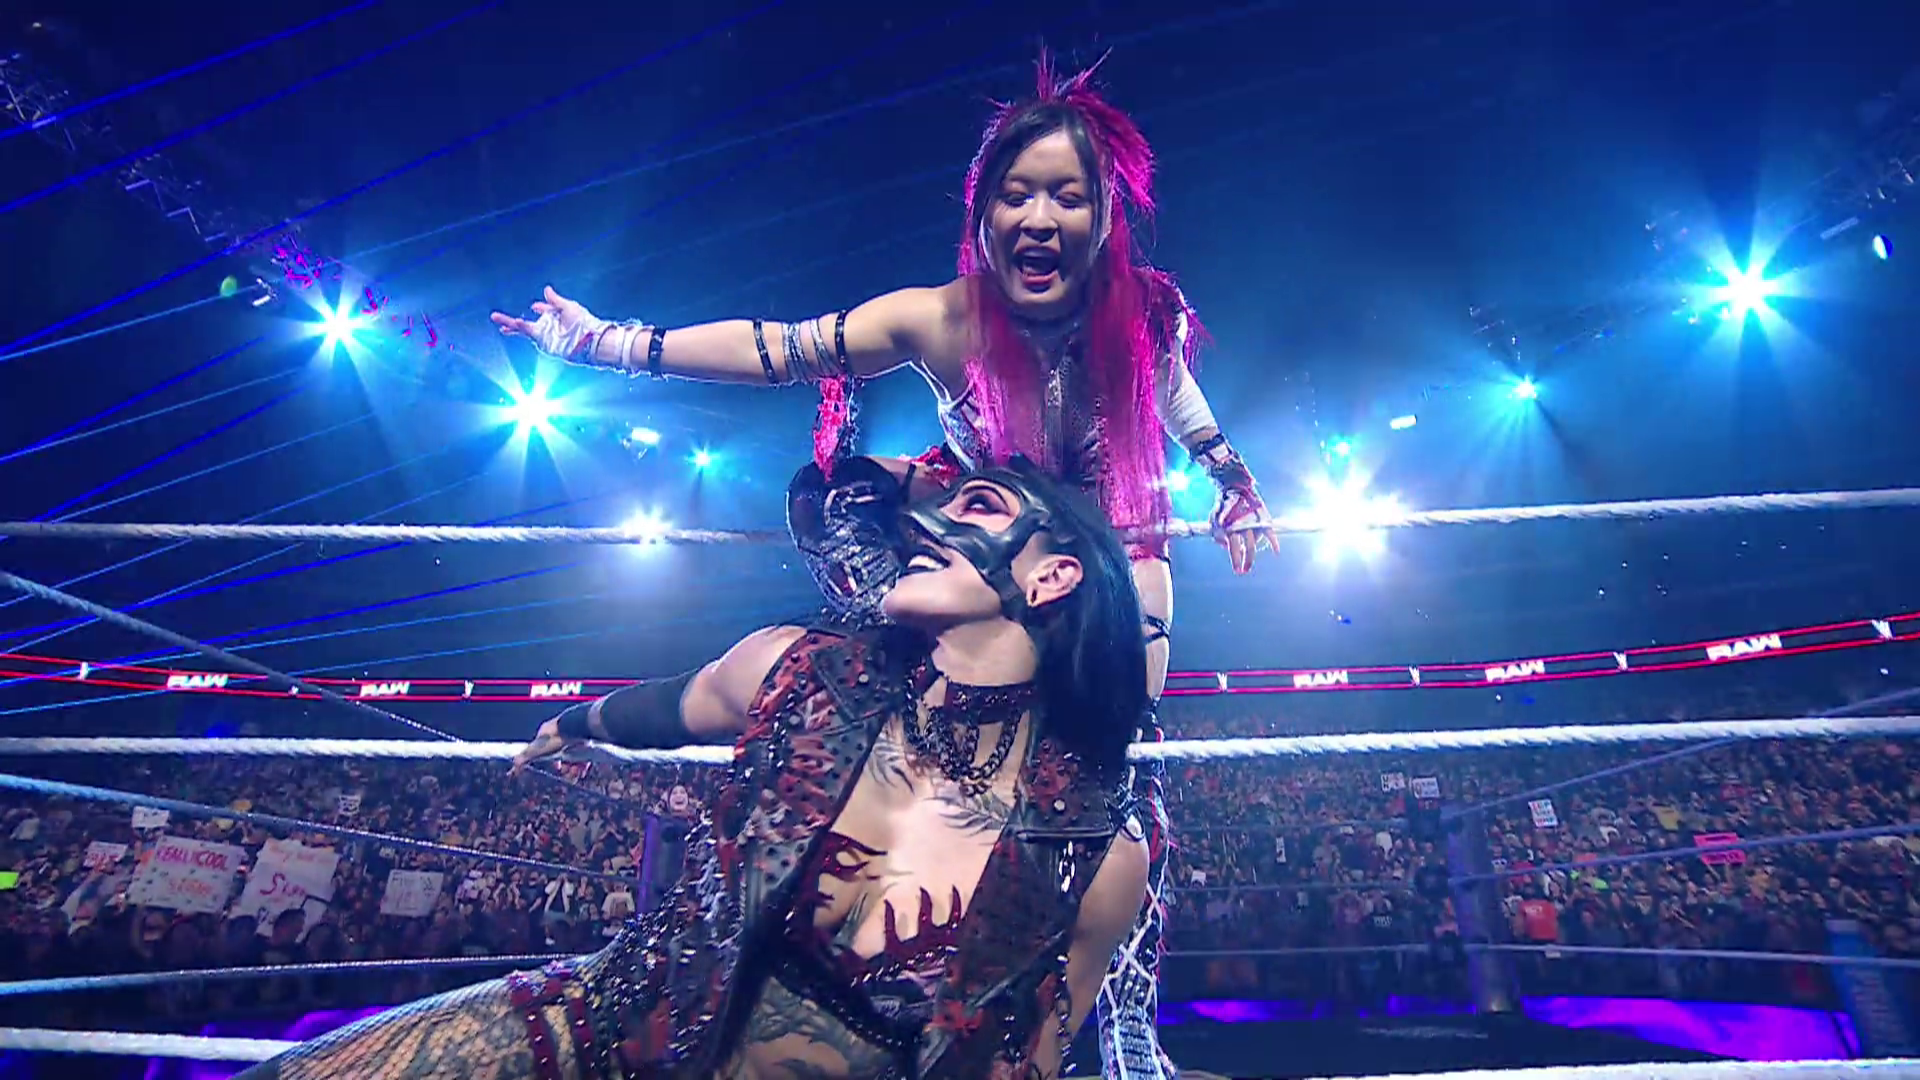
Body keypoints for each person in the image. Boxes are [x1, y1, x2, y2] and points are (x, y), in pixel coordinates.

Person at [492, 57, 1278, 1078]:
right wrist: (606, 343)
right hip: (982, 530)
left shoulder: (1144, 319)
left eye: (1067, 196)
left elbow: (1182, 407)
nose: (1039, 218)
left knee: (1121, 766)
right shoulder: (943, 319)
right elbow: (784, 347)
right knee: (844, 498)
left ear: (1104, 216)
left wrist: (1232, 478)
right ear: (984, 211)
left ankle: (1122, 1027)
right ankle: (885, 702)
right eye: (1017, 193)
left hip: (1107, 549)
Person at [235, 457, 1153, 1079]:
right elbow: (681, 702)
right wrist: (575, 722)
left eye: (978, 507)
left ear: (1051, 578)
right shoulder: (802, 670)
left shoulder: (1095, 855)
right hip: (610, 1026)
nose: (927, 523)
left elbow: (1028, 1056)